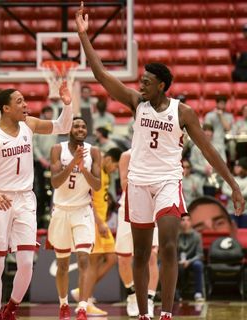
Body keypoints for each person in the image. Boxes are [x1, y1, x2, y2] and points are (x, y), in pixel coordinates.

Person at [75, 3, 245, 320]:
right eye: (141, 81)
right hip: (138, 183)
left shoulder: (182, 112)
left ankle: (166, 312)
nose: (141, 85)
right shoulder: (135, 103)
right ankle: (144, 313)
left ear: (162, 86)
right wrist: (84, 35)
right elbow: (100, 73)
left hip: (167, 181)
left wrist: (233, 186)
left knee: (167, 246)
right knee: (140, 254)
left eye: (147, 82)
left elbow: (209, 150)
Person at [0, 82, 73, 320]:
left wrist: (67, 104)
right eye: (19, 101)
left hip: (26, 199)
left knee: (27, 262)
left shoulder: (29, 124)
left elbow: (62, 125)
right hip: (0, 200)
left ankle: (11, 309)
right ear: (6, 108)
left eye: (24, 100)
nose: (25, 104)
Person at [48, 117, 101, 320]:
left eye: (83, 126)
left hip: (82, 210)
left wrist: (83, 167)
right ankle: (63, 305)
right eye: (76, 126)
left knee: (83, 258)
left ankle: (82, 307)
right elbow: (55, 182)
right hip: (61, 210)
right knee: (62, 264)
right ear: (69, 129)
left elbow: (96, 186)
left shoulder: (94, 152)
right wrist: (73, 163)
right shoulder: (57, 149)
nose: (80, 129)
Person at [70, 147, 122, 317]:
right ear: (108, 159)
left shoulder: (106, 173)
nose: (115, 170)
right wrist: (99, 222)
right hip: (93, 221)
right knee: (93, 262)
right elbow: (87, 197)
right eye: (115, 166)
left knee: (113, 257)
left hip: (101, 222)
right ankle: (85, 302)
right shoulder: (96, 169)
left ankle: (82, 291)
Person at [115, 150, 159, 318]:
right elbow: (125, 185)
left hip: (151, 207)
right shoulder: (127, 155)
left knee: (152, 256)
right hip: (128, 207)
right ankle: (132, 294)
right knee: (124, 259)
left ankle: (149, 298)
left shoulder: (156, 153)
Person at [33, 106, 58, 227]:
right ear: (43, 113)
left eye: (51, 112)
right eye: (47, 112)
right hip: (40, 162)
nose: (49, 114)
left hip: (52, 162)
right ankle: (40, 218)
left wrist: (53, 159)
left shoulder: (54, 126)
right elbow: (34, 145)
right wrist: (41, 159)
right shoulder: (37, 126)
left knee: (54, 189)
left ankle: (52, 217)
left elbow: (56, 144)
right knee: (40, 190)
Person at [176, 215, 205, 302]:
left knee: (198, 264)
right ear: (180, 222)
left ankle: (198, 293)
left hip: (192, 261)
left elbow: (200, 254)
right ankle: (176, 293)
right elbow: (173, 252)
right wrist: (178, 261)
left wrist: (189, 261)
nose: (185, 222)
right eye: (183, 220)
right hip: (179, 262)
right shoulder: (176, 236)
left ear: (191, 222)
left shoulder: (197, 236)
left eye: (188, 220)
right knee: (171, 266)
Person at [221, 157, 247, 228]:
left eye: (238, 166)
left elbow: (245, 194)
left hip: (245, 213)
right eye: (235, 166)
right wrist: (235, 193)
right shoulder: (230, 178)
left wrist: (233, 192)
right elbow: (224, 189)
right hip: (231, 211)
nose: (235, 168)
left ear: (244, 168)